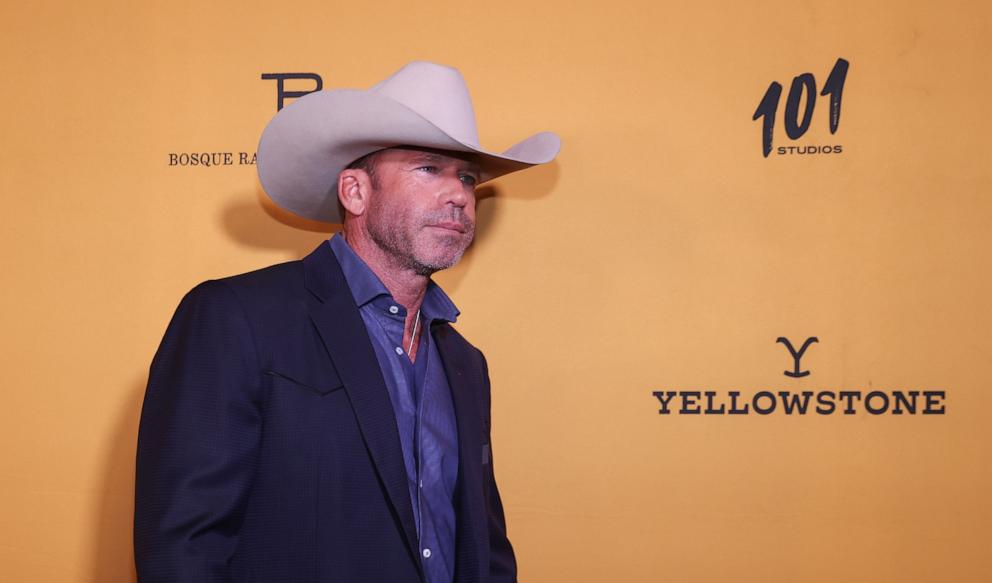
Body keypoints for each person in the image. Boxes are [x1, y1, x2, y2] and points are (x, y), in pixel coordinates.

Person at [134, 61, 560, 583]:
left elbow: (484, 548)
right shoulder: (236, 318)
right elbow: (183, 550)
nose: (458, 196)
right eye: (428, 169)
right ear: (355, 192)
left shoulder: (465, 363)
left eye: (466, 177)